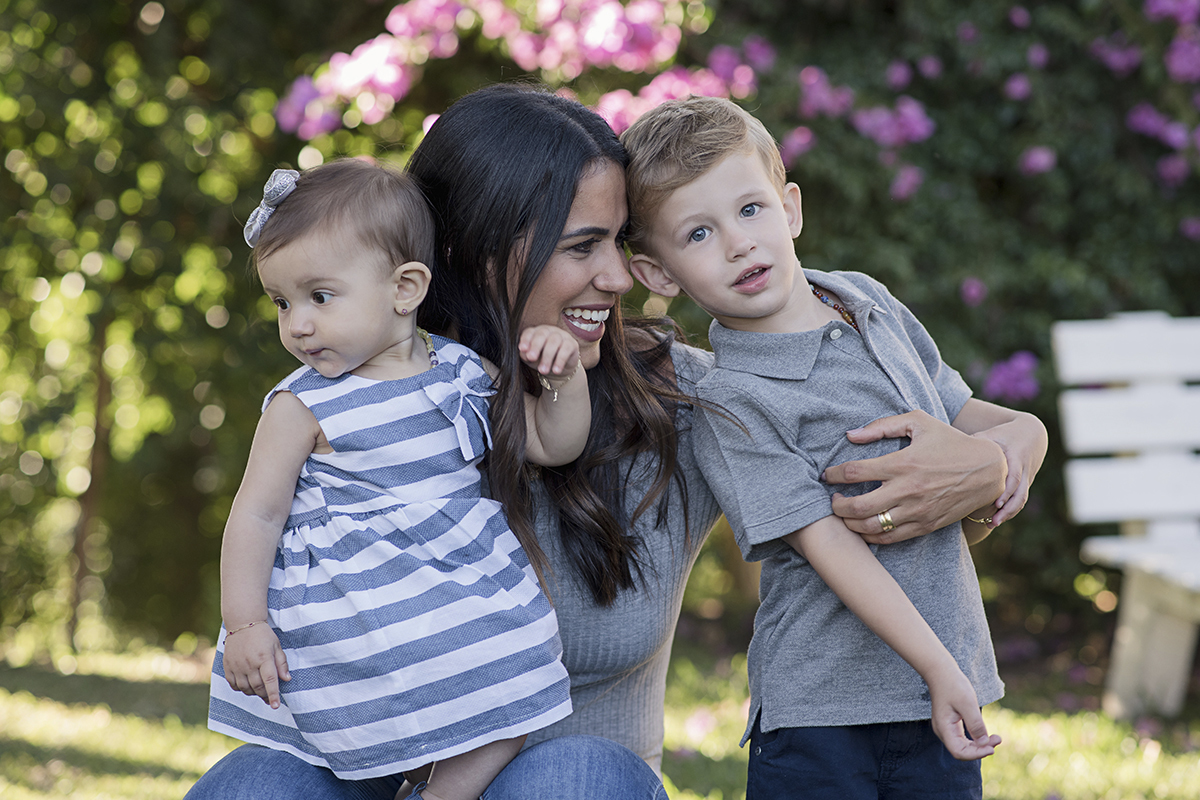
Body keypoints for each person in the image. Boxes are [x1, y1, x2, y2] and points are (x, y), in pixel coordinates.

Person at [186, 83, 1045, 800]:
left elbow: (920, 450)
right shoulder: (346, 400)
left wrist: (1000, 456)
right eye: (582, 247)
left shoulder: (687, 394)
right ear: (473, 253)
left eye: (621, 244)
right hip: (368, 772)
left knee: (576, 778)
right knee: (254, 786)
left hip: (580, 784)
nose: (615, 276)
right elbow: (258, 540)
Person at [620, 96, 1048, 798]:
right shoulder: (731, 399)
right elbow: (830, 546)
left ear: (789, 209)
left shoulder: (866, 299)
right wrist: (939, 668)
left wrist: (1024, 437)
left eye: (750, 210)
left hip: (940, 689)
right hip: (823, 715)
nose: (737, 243)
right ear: (660, 276)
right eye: (698, 233)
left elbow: (965, 414)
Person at [208, 157, 588, 800]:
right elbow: (256, 515)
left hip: (461, 591)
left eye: (319, 297)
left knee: (519, 681)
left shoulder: (463, 372)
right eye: (282, 302)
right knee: (350, 728)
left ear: (405, 288)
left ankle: (443, 794)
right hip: (356, 615)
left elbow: (551, 442)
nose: (296, 324)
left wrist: (564, 379)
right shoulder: (302, 405)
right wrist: (245, 623)